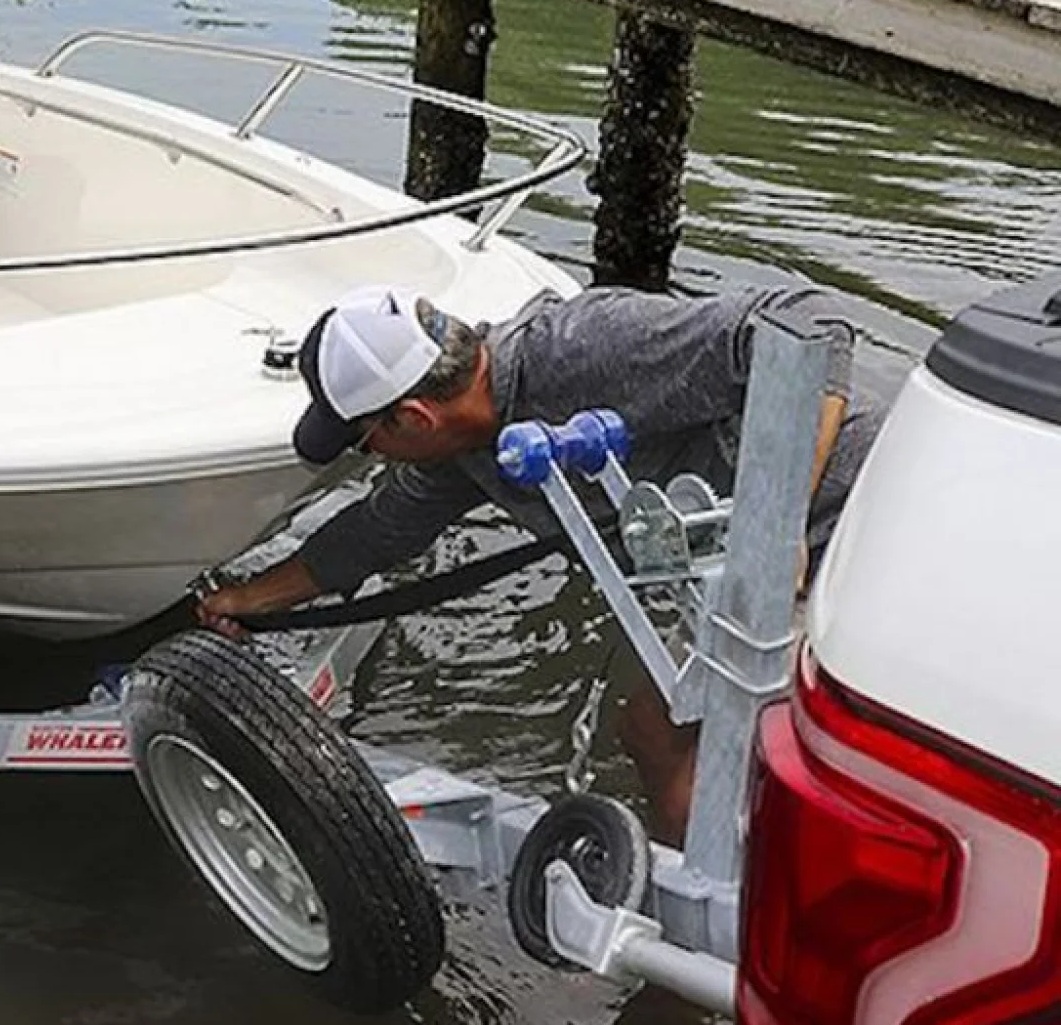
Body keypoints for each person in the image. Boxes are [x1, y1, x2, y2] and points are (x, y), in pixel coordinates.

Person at [198, 283, 886, 841]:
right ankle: (713, 910)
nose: (373, 460)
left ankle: (745, 938)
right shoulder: (466, 447)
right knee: (656, 734)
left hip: (856, 522)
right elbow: (377, 531)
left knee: (785, 753)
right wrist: (248, 600)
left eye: (366, 445)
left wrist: (775, 524)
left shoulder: (581, 350)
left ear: (412, 419)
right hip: (725, 562)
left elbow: (807, 320)